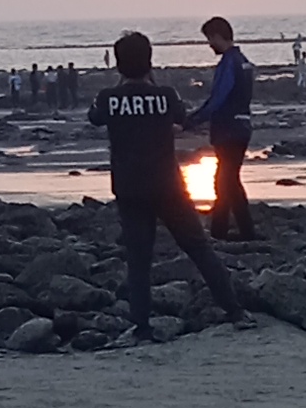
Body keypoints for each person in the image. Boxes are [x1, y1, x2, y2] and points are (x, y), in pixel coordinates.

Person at [87, 31, 245, 342]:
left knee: (138, 259)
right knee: (199, 248)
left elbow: (95, 117)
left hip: (129, 186)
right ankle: (235, 311)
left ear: (118, 64)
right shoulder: (167, 95)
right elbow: (180, 118)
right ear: (150, 61)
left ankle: (142, 326)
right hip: (168, 184)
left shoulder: (108, 98)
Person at [187, 16, 256, 237]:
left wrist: (192, 120)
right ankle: (225, 229)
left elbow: (218, 99)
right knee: (227, 180)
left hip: (229, 130)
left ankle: (237, 230)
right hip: (241, 126)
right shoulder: (243, 61)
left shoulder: (229, 63)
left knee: (226, 180)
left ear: (217, 36)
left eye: (210, 39)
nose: (209, 44)